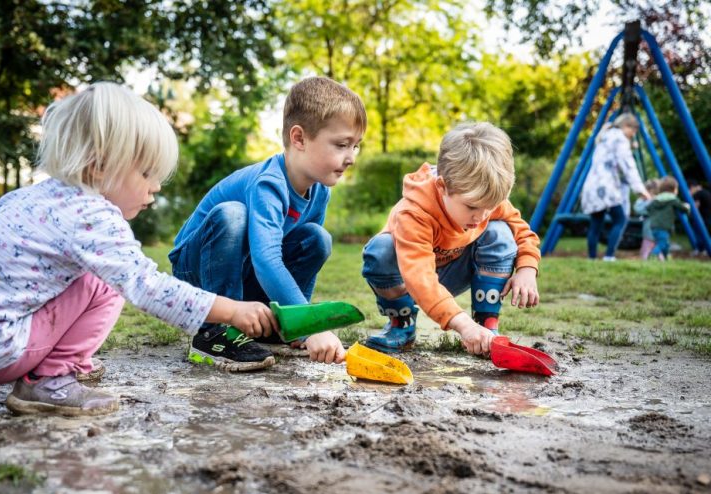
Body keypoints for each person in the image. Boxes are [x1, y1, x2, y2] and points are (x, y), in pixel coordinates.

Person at [0, 83, 278, 417]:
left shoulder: (33, 197)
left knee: (94, 273)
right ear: (100, 166)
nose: (156, 186)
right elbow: (147, 286)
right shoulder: (90, 214)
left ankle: (58, 363)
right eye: (147, 172)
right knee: (106, 284)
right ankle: (50, 380)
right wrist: (230, 310)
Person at [169, 76, 366, 369]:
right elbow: (267, 260)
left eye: (356, 146)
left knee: (316, 237)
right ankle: (214, 330)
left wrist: (300, 323)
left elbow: (293, 253)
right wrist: (314, 327)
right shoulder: (269, 184)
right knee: (233, 214)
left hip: (242, 271)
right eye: (341, 145)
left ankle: (281, 326)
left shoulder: (319, 190)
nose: (350, 157)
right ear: (299, 138)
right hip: (197, 271)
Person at [360, 122, 541, 356]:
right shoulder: (414, 212)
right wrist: (462, 325)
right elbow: (419, 276)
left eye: (491, 206)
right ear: (443, 187)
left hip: (457, 272)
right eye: (472, 207)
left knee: (501, 233)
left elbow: (521, 231)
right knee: (380, 251)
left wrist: (527, 268)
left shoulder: (482, 198)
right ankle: (401, 325)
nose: (482, 216)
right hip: (409, 280)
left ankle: (486, 327)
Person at [580, 113, 650, 261]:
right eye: (634, 131)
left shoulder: (605, 136)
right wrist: (640, 189)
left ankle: (591, 258)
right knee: (620, 219)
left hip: (592, 185)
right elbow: (628, 165)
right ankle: (609, 255)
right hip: (606, 187)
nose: (633, 134)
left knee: (596, 224)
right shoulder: (620, 138)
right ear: (626, 126)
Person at [646, 175, 690, 261]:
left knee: (665, 244)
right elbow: (682, 208)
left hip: (654, 225)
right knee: (662, 243)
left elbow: (648, 208)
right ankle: (652, 255)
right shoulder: (672, 199)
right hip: (663, 226)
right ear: (674, 189)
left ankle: (666, 259)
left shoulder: (656, 199)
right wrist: (687, 207)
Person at [634, 179, 659, 260]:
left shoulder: (658, 201)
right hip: (649, 232)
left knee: (657, 249)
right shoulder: (644, 201)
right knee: (647, 249)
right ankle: (646, 262)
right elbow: (638, 209)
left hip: (657, 231)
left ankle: (660, 262)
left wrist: (650, 200)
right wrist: (647, 200)